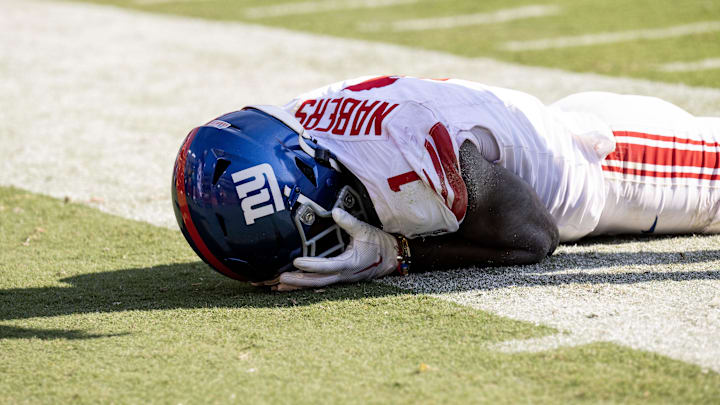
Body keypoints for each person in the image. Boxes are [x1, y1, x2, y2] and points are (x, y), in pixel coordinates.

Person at [172, 75, 720, 291]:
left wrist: (400, 254)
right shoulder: (292, 128)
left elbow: (532, 235)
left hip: (618, 165)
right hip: (549, 130)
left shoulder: (400, 156)